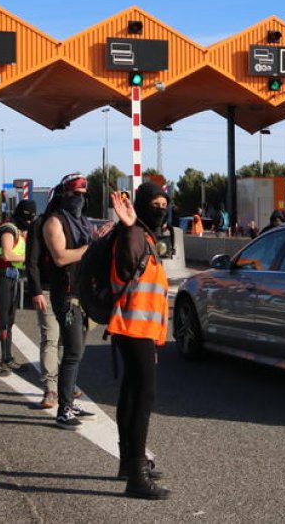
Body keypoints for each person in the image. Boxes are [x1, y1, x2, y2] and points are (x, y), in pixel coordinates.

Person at [108, 184, 172, 500]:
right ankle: (137, 476)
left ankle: (128, 463)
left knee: (132, 395)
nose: (160, 209)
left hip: (138, 329)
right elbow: (124, 267)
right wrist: (128, 225)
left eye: (164, 204)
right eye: (154, 204)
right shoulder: (135, 235)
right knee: (143, 399)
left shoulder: (145, 236)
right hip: (134, 328)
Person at [43, 173, 109, 428]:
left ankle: (68, 398)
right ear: (64, 195)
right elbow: (60, 257)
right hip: (66, 294)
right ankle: (63, 409)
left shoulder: (83, 222)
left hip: (84, 293)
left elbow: (92, 255)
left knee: (78, 351)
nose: (79, 199)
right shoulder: (54, 222)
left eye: (83, 195)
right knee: (72, 351)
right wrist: (93, 244)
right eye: (74, 195)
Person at [0, 200, 34, 377]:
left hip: (12, 276)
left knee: (9, 320)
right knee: (0, 320)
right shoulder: (8, 229)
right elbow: (6, 253)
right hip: (1, 277)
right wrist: (28, 257)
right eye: (28, 217)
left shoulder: (17, 229)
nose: (29, 221)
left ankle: (6, 358)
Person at [24, 193, 61, 409]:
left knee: (68, 343)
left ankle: (65, 383)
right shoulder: (40, 224)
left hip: (70, 291)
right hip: (46, 290)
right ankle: (51, 388)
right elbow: (32, 261)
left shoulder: (74, 222)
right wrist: (36, 290)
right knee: (50, 339)